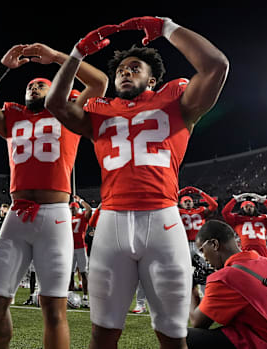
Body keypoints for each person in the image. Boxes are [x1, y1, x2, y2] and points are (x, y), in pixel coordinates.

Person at [47, 16, 229, 348]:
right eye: (120, 70)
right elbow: (55, 103)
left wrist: (166, 27)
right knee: (102, 335)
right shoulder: (99, 109)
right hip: (111, 223)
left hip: (163, 222)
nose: (125, 73)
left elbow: (216, 65)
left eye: (134, 68)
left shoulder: (176, 100)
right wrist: (75, 54)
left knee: (173, 335)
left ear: (154, 78)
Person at [0, 42, 108, 349]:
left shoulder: (67, 112)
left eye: (41, 84)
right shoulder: (14, 117)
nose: (35, 87)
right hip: (16, 216)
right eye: (31, 85)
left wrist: (58, 58)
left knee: (53, 308)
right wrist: (1, 67)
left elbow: (99, 82)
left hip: (55, 217)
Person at [188, 220, 267, 348]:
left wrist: (190, 287)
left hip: (260, 341)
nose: (204, 257)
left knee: (181, 337)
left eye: (202, 250)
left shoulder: (223, 278)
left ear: (214, 244)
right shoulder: (266, 261)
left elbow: (196, 321)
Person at [222, 192, 267, 257]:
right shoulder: (237, 219)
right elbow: (225, 212)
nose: (249, 208)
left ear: (255, 208)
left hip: (262, 249)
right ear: (242, 209)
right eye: (246, 206)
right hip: (246, 249)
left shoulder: (263, 218)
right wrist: (234, 200)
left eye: (251, 206)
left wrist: (265, 201)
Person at [178, 186, 218, 257]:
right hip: (184, 243)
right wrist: (179, 192)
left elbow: (214, 205)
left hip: (200, 243)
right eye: (185, 201)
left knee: (204, 265)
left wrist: (200, 192)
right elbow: (166, 203)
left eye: (189, 201)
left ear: (193, 203)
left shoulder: (201, 210)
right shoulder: (178, 211)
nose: (188, 203)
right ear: (181, 204)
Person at [70, 195, 92, 307]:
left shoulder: (82, 216)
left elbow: (88, 209)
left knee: (83, 272)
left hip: (81, 247)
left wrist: (80, 200)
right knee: (70, 274)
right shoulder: (68, 218)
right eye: (70, 209)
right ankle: (71, 296)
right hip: (70, 248)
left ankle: (85, 298)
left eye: (73, 208)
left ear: (77, 208)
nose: (71, 211)